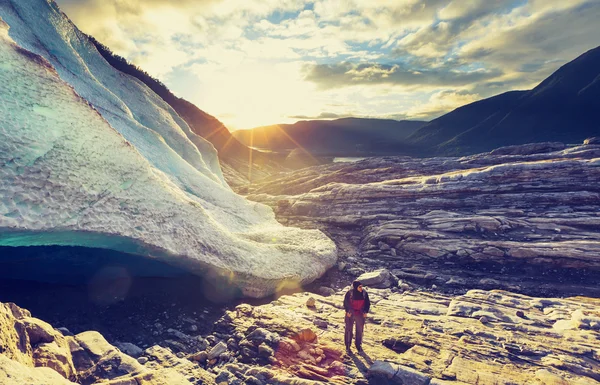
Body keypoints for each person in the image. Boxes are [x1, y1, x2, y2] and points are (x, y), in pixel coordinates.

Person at [343, 280, 370, 353]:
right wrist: (347, 311)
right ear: (355, 287)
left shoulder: (364, 293)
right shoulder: (350, 293)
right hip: (350, 313)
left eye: (362, 286)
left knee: (359, 330)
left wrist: (365, 312)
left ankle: (358, 345)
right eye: (360, 287)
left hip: (360, 314)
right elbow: (346, 303)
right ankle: (348, 346)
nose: (361, 288)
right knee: (348, 330)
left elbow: (367, 303)